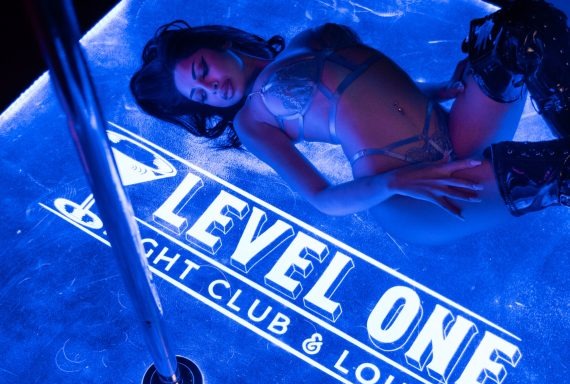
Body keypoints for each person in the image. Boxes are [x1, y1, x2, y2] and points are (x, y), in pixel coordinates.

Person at [130, 0, 569, 244]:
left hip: (453, 132)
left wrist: (433, 89)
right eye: (201, 96)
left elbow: (366, 85)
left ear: (219, 44)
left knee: (526, 26)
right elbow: (323, 198)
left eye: (202, 70)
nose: (212, 88)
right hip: (416, 196)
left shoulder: (306, 41)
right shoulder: (252, 120)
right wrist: (396, 183)